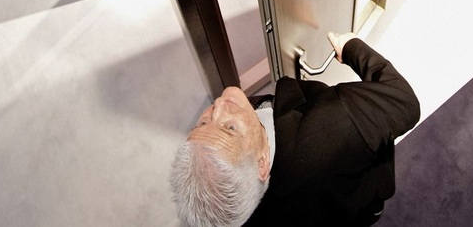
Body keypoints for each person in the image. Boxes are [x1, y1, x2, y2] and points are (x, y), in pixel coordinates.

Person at [170, 32, 420, 226]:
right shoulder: (336, 122)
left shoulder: (232, 214)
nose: (218, 107)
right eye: (230, 128)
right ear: (262, 163)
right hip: (361, 200)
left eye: (202, 124)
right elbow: (404, 102)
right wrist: (351, 48)